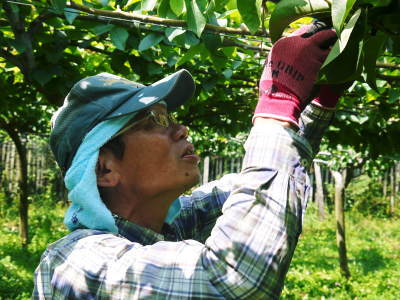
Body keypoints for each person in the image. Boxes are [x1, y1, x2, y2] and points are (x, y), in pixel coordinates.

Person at [33, 23, 341, 299]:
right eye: (153, 120)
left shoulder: (164, 227)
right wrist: (278, 103)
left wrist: (312, 106)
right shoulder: (75, 262)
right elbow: (232, 282)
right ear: (105, 169)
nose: (181, 129)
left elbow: (258, 189)